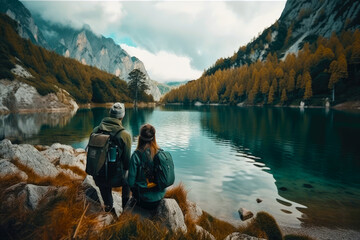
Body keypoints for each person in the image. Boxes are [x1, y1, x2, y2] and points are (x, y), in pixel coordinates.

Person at [92, 102, 131, 212]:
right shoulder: (125, 135)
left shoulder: (96, 130)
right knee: (129, 175)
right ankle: (125, 208)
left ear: (110, 114)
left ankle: (109, 208)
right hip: (115, 179)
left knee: (103, 174)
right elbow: (127, 163)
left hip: (98, 177)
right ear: (122, 116)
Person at [128, 124, 166, 210]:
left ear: (140, 138)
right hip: (160, 197)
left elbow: (130, 182)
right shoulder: (160, 153)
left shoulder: (136, 155)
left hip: (143, 200)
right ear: (154, 137)